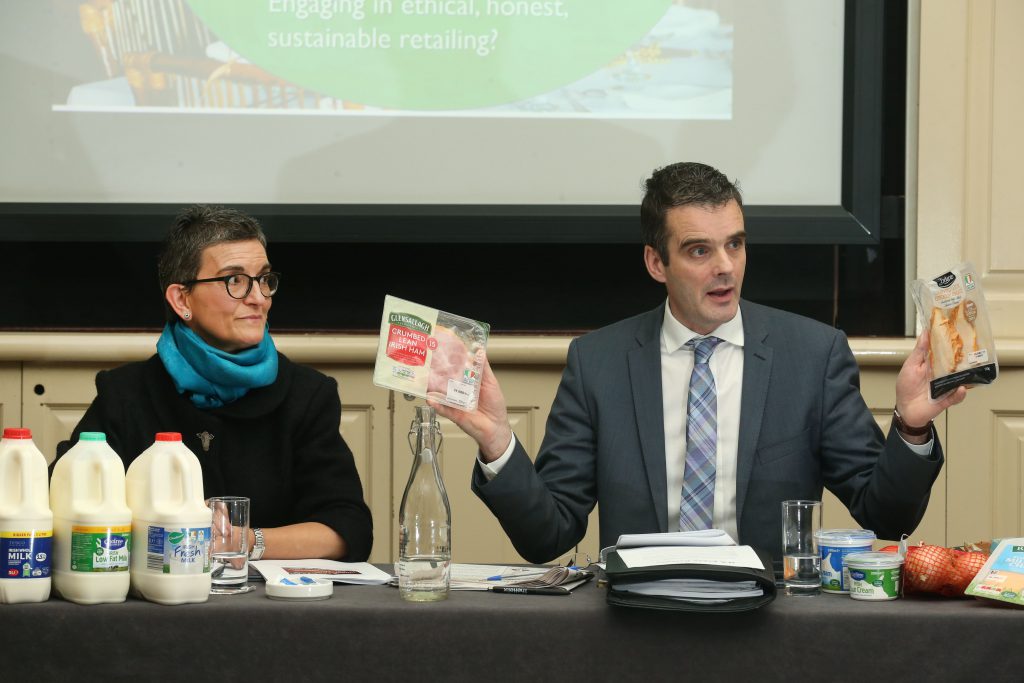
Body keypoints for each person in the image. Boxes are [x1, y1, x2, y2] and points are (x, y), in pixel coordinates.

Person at [433, 162, 967, 564]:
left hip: (767, 627)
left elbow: (886, 516)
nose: (725, 268)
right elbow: (546, 536)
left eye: (735, 245)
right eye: (698, 251)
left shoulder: (811, 355)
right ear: (655, 262)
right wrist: (499, 442)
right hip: (638, 626)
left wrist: (912, 426)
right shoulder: (598, 363)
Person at [56, 205, 372, 561]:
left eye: (264, 279)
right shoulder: (126, 393)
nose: (258, 298)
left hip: (273, 610)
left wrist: (245, 541)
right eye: (234, 280)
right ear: (181, 299)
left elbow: (348, 528)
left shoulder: (307, 394)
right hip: (155, 601)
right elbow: (64, 504)